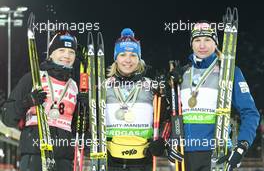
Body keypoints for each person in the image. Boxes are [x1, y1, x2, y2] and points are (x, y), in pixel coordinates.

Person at [168, 21, 260, 171]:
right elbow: (172, 113)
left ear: (215, 43)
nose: (202, 45)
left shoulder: (229, 72)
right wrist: (170, 141)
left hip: (218, 153)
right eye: (197, 40)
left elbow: (250, 112)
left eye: (207, 40)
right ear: (191, 44)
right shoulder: (181, 73)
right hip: (185, 155)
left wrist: (242, 145)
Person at [2, 31, 81, 171]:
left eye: (71, 52)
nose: (66, 56)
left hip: (64, 160)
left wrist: (84, 111)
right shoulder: (33, 79)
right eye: (61, 50)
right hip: (35, 156)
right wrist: (26, 102)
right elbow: (7, 118)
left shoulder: (74, 86)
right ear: (51, 53)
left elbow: (77, 128)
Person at [105, 28, 165, 171]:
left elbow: (164, 119)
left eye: (133, 55)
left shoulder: (152, 86)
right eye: (123, 54)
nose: (128, 60)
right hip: (111, 161)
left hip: (143, 161)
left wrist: (162, 141)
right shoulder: (104, 86)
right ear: (116, 58)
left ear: (139, 59)